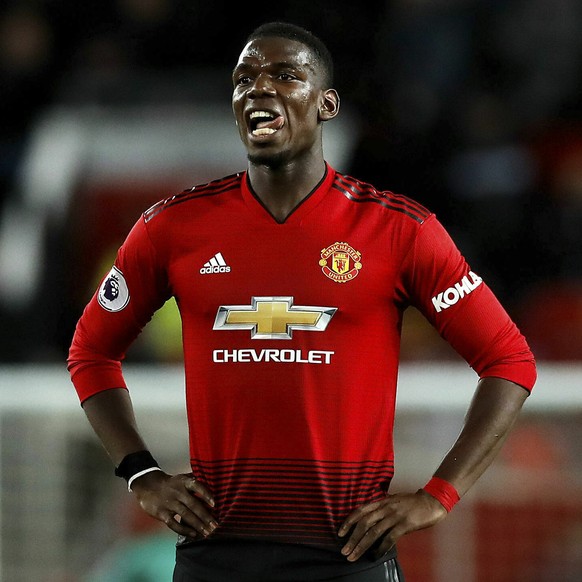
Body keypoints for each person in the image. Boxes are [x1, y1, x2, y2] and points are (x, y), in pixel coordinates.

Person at [68, 21, 537, 582]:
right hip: (214, 553)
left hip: (347, 557)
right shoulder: (171, 228)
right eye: (244, 79)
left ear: (326, 104)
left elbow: (509, 360)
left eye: (285, 75)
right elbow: (90, 352)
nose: (258, 89)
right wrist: (141, 474)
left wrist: (439, 494)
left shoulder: (398, 230)